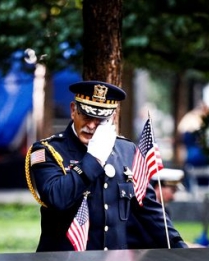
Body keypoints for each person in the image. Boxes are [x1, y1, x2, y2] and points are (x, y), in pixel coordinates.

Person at [25, 80, 187, 251]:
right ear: (73, 110)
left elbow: (149, 209)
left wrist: (179, 246)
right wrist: (93, 158)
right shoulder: (47, 150)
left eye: (100, 120)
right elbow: (56, 198)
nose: (91, 125)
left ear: (113, 118)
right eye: (86, 116)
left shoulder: (127, 150)